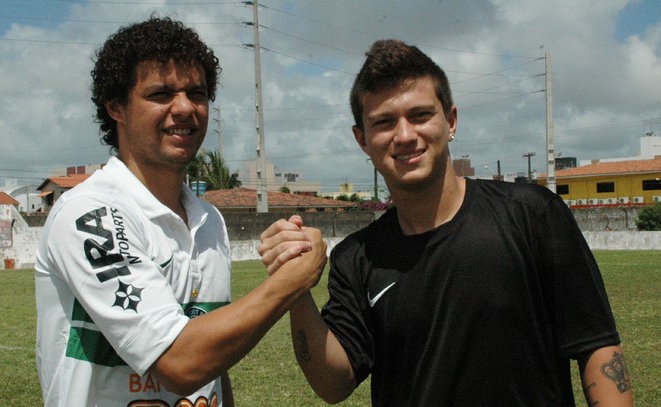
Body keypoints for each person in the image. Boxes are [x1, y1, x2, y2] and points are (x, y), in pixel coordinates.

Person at [260, 39, 633, 406]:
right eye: (384, 122)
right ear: (362, 139)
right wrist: (295, 287)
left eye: (420, 115)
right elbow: (333, 385)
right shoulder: (356, 258)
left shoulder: (533, 215)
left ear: (451, 120)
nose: (405, 135)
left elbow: (597, 347)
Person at [35, 17, 325, 407]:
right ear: (116, 106)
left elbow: (212, 366)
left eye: (197, 93)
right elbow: (179, 363)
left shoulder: (209, 220)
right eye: (161, 94)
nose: (186, 107)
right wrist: (291, 281)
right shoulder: (90, 215)